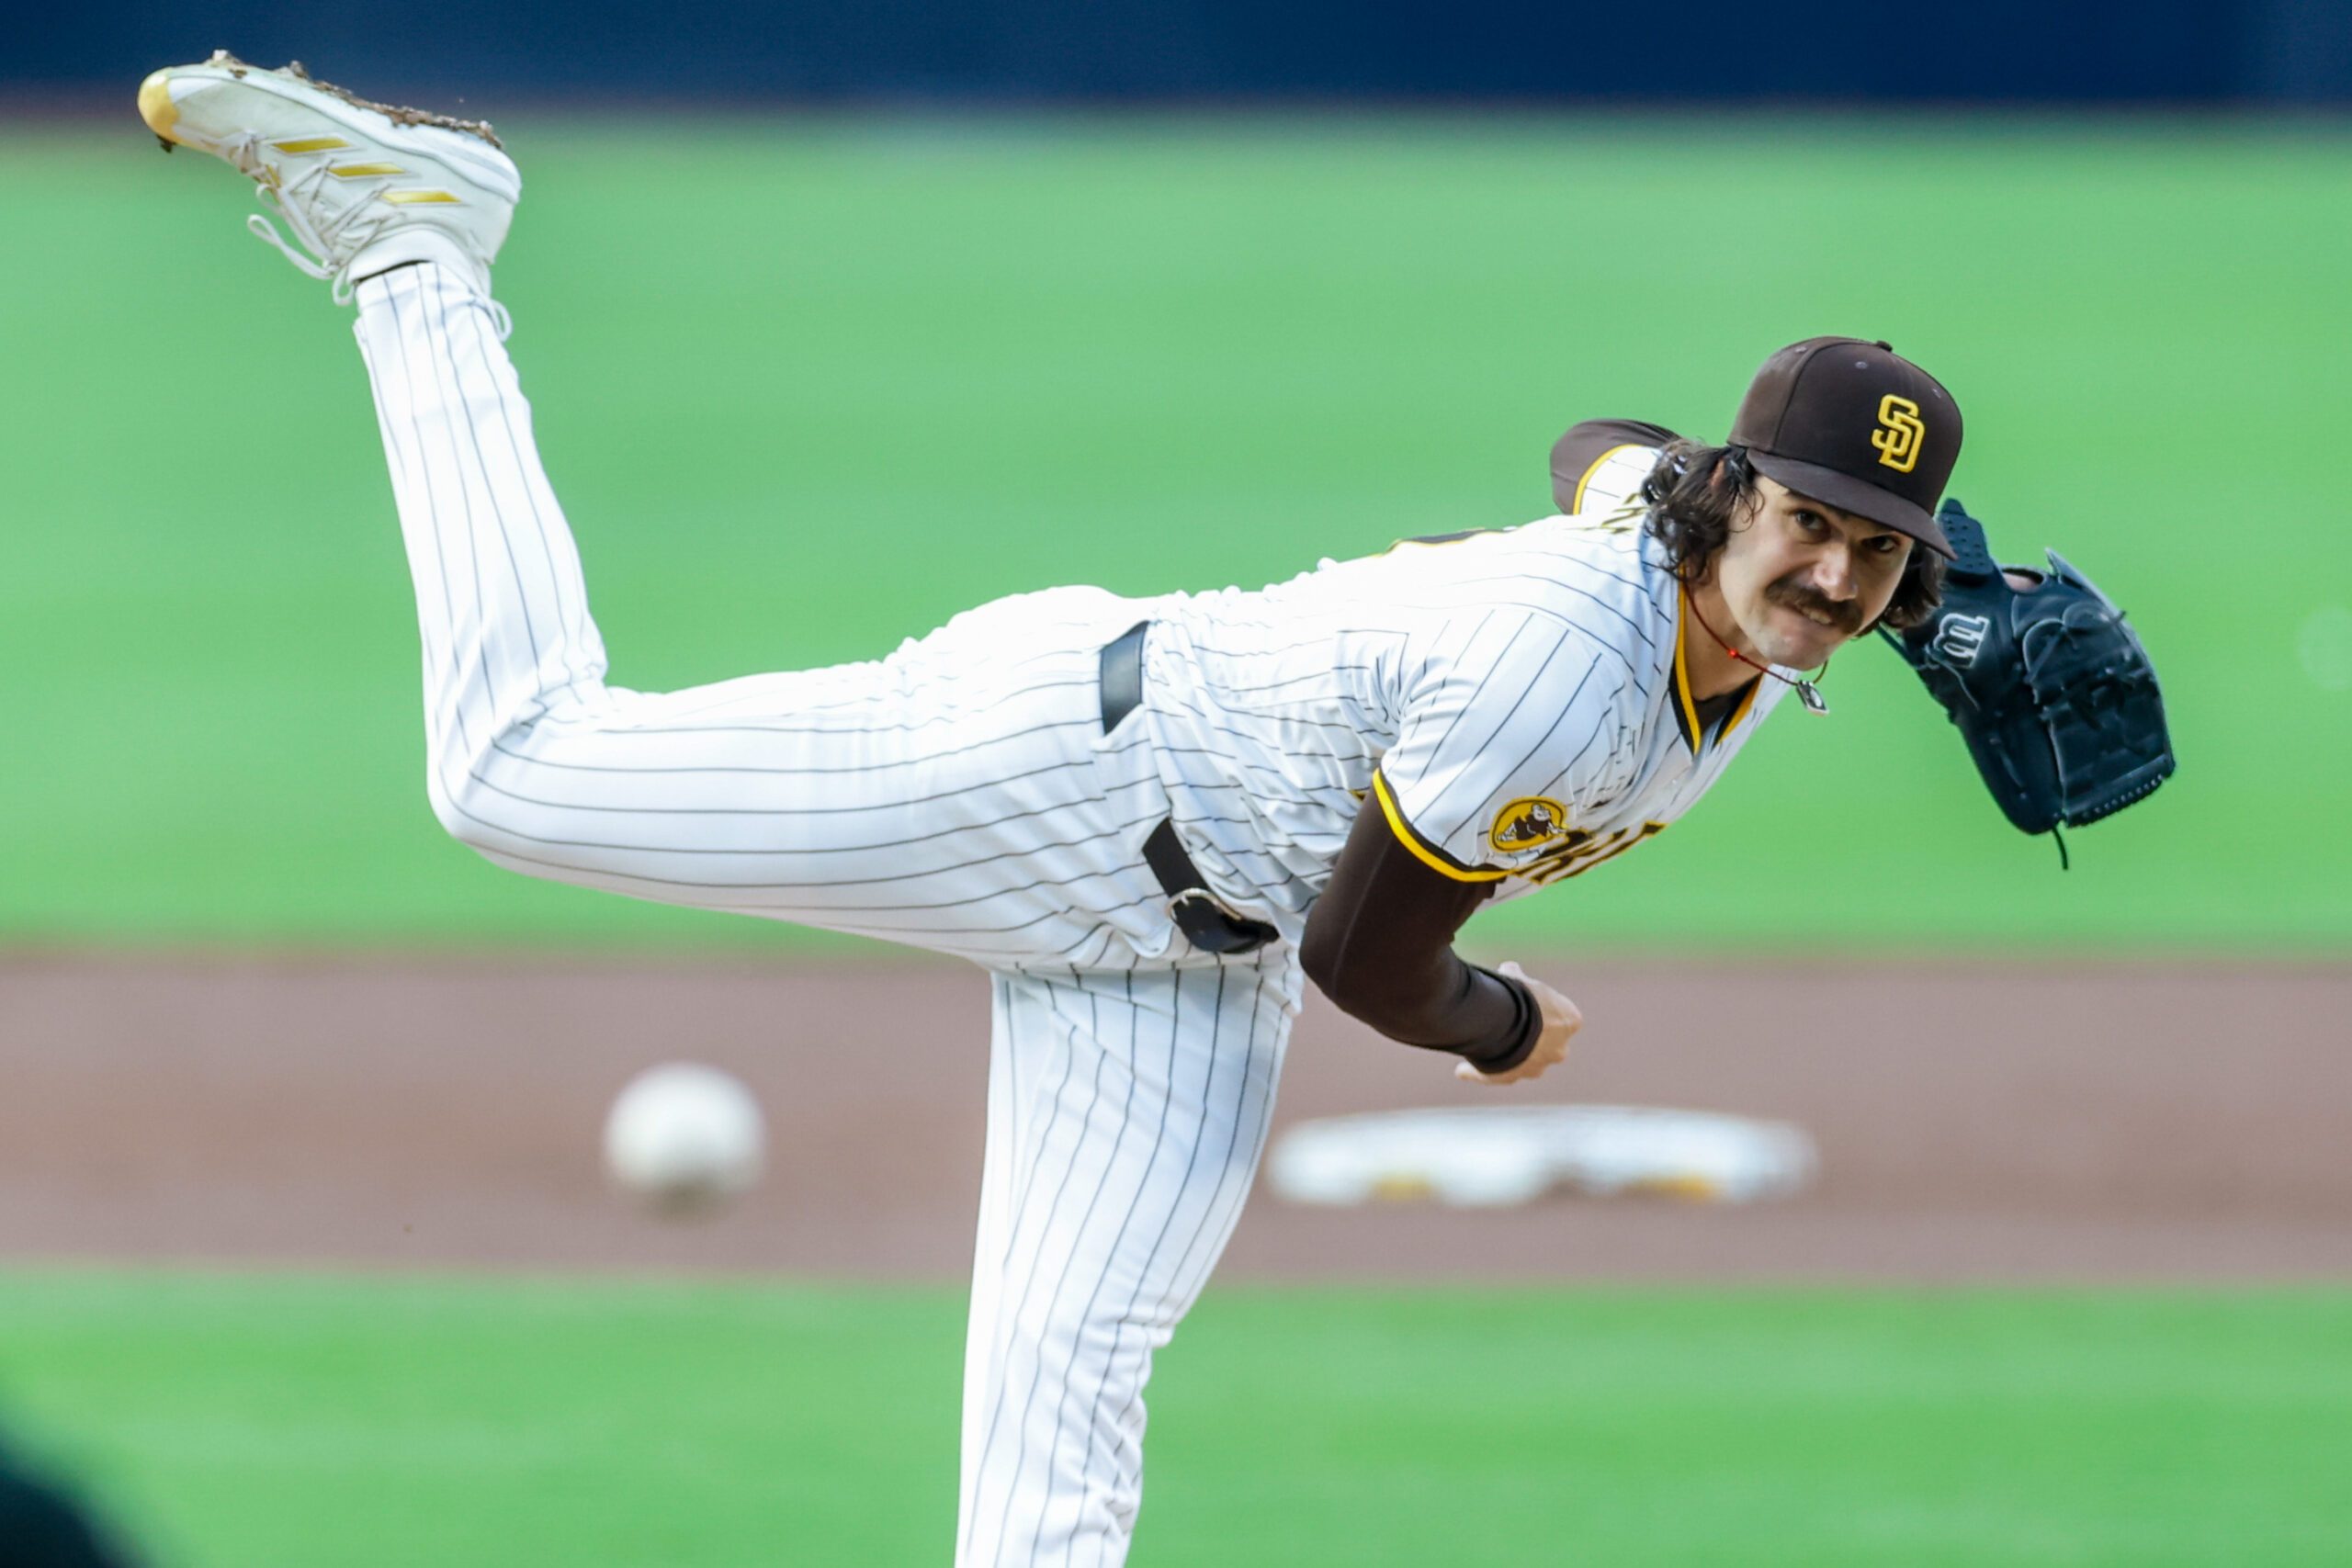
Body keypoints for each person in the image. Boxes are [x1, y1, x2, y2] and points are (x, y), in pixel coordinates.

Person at [139, 53, 1960, 1567]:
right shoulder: (1571, 655)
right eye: (1803, 519)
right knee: (510, 768)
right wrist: (1499, 1029)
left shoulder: (1691, 555)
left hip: (1184, 959)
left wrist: (1888, 581)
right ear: (1733, 505)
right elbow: (1369, 951)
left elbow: (1598, 447)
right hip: (1061, 778)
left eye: (1874, 550)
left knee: (1065, 1382)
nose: (1829, 569)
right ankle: (423, 254)